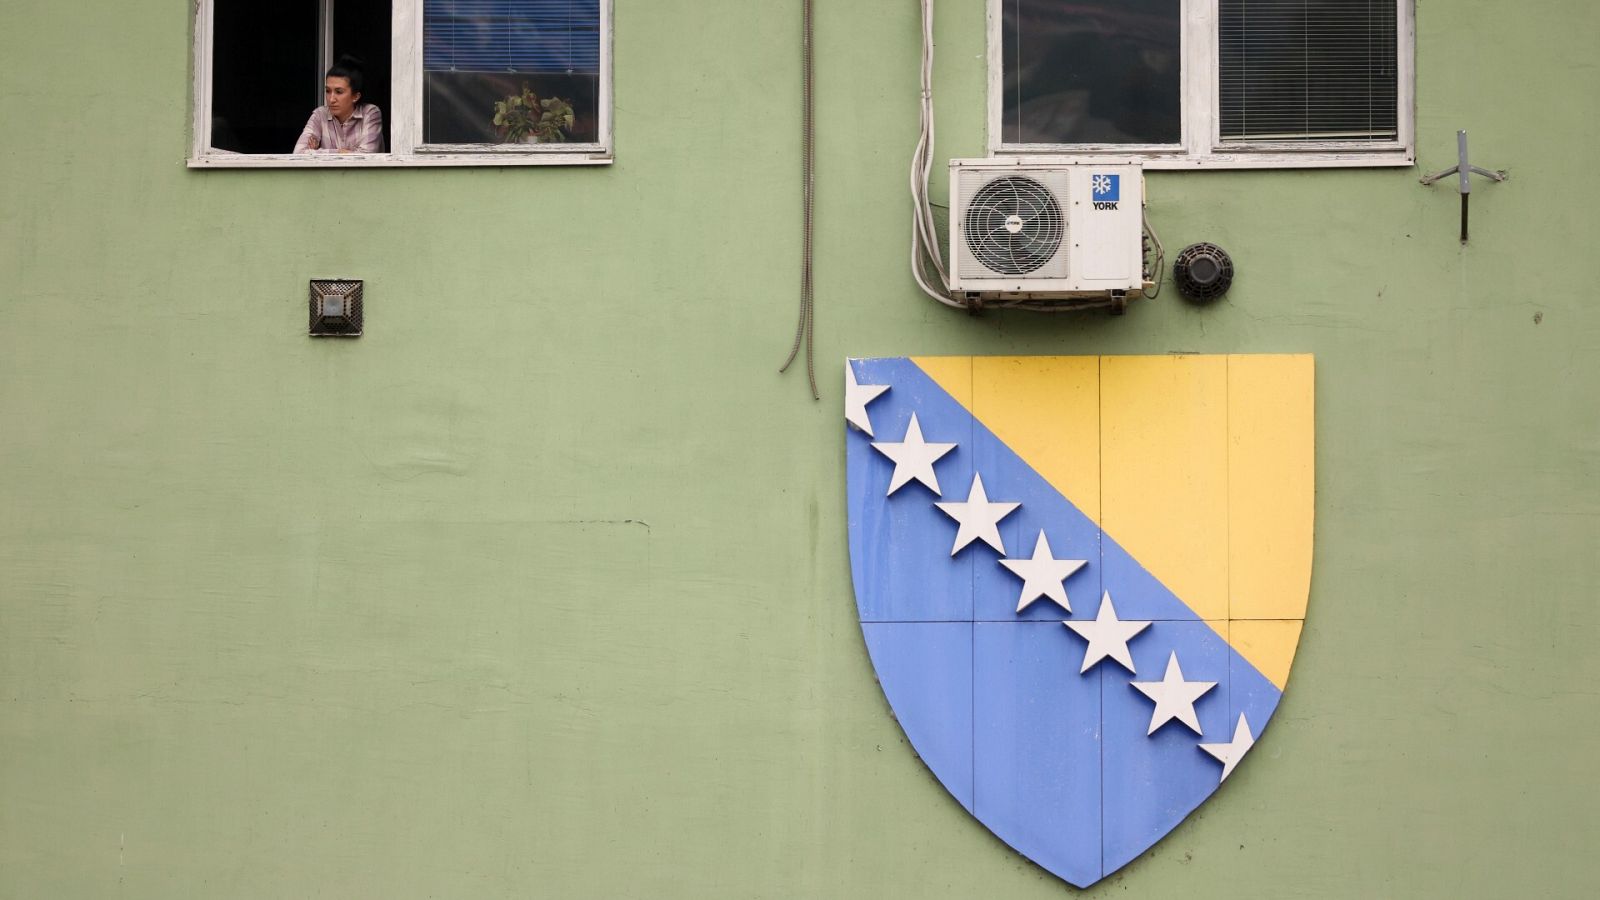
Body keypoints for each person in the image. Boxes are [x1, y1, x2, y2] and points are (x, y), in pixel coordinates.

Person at [294, 55, 384, 153]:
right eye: (328, 91)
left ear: (356, 97)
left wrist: (316, 152)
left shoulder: (370, 113)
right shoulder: (320, 115)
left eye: (339, 92)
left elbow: (366, 156)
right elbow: (298, 152)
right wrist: (340, 152)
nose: (331, 99)